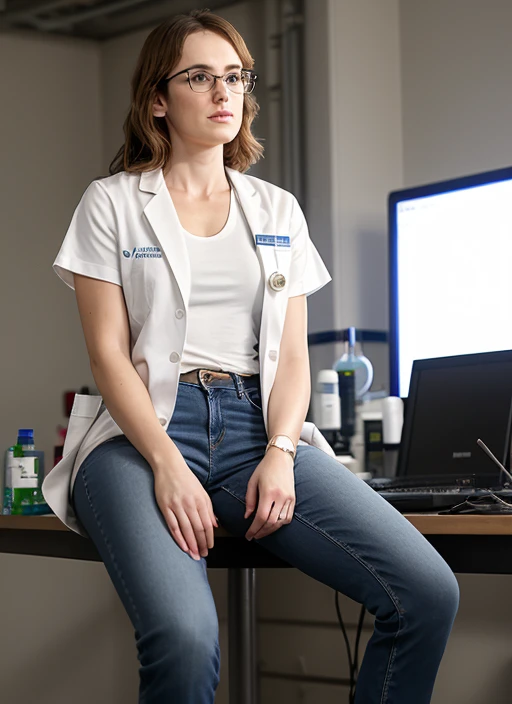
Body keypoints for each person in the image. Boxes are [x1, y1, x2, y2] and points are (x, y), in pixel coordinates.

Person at [41, 9, 459, 704]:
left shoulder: (276, 211)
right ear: (156, 99)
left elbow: (292, 356)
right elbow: (109, 355)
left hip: (254, 431)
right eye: (200, 77)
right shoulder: (111, 203)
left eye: (234, 76)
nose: (222, 92)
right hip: (139, 439)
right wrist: (168, 466)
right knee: (184, 637)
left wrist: (283, 450)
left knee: (425, 592)